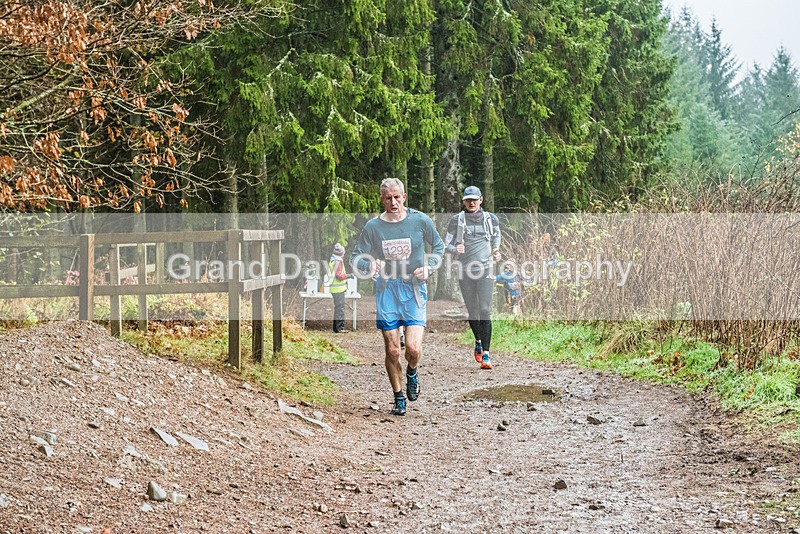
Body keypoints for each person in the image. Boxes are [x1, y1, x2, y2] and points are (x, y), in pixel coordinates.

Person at [350, 178, 444, 416]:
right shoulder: (373, 227)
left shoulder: (420, 221)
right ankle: (398, 396)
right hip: (387, 290)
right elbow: (356, 257)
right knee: (392, 351)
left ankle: (412, 371)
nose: (393, 202)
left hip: (413, 289)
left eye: (396, 197)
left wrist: (429, 267)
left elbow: (439, 247)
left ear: (404, 197)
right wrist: (371, 264)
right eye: (388, 198)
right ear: (382, 199)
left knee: (412, 348)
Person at [444, 185, 501, 369]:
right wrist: (455, 248)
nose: (471, 203)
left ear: (480, 200)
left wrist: (496, 250)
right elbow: (445, 243)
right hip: (465, 271)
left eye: (474, 200)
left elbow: (496, 237)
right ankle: (477, 340)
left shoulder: (490, 219)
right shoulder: (456, 220)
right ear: (464, 201)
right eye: (468, 200)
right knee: (473, 312)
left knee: (484, 309)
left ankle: (486, 354)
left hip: (486, 269)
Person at [328, 242, 350, 333]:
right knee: (340, 308)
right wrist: (348, 275)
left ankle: (336, 328)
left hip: (334, 288)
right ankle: (339, 328)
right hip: (338, 288)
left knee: (338, 307)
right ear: (342, 254)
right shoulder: (338, 262)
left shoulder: (333, 260)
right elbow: (339, 276)